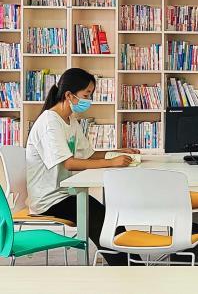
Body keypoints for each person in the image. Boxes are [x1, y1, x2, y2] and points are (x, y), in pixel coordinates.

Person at [25, 68, 140, 266]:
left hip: (64, 194)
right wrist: (111, 162)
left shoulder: (69, 120)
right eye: (86, 95)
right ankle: (130, 267)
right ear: (69, 95)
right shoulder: (49, 122)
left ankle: (132, 264)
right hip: (49, 200)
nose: (89, 100)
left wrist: (116, 152)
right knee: (97, 215)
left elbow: (88, 155)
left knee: (104, 215)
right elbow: (69, 163)